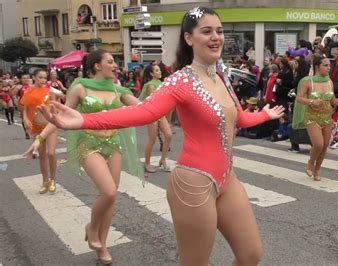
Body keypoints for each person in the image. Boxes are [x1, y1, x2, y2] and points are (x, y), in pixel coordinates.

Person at [38, 7, 284, 265]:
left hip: (227, 178)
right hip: (194, 183)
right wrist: (83, 120)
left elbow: (239, 119)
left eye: (219, 31)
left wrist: (266, 115)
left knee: (250, 254)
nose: (216, 37)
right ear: (189, 38)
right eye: (207, 31)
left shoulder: (222, 78)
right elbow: (144, 112)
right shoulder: (181, 81)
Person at [23, 50, 143, 264]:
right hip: (89, 144)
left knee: (111, 199)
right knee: (107, 192)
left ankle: (102, 245)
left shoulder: (119, 89)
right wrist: (38, 140)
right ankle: (92, 228)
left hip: (113, 144)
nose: (115, 65)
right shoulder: (81, 87)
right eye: (110, 61)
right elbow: (60, 117)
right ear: (97, 65)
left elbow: (146, 109)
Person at [295, 55, 338, 181]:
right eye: (325, 65)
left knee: (325, 145)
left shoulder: (329, 81)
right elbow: (299, 98)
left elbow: (333, 101)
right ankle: (311, 162)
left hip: (327, 117)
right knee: (318, 144)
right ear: (317, 67)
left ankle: (317, 169)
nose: (328, 68)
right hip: (312, 117)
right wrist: (311, 101)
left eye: (329, 65)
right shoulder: (308, 81)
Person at [20, 69, 59, 193]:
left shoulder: (49, 91)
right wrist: (26, 119)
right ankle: (45, 181)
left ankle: (53, 180)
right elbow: (24, 108)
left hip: (50, 125)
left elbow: (55, 106)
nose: (43, 80)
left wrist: (56, 117)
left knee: (51, 153)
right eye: (40, 77)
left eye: (44, 77)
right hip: (36, 126)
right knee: (42, 154)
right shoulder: (28, 91)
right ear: (34, 77)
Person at [139, 63, 172, 173]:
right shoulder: (151, 85)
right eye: (157, 70)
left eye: (159, 70)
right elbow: (153, 101)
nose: (160, 72)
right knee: (152, 140)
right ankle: (147, 163)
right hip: (152, 114)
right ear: (151, 73)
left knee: (168, 135)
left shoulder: (162, 83)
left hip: (161, 114)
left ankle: (163, 160)